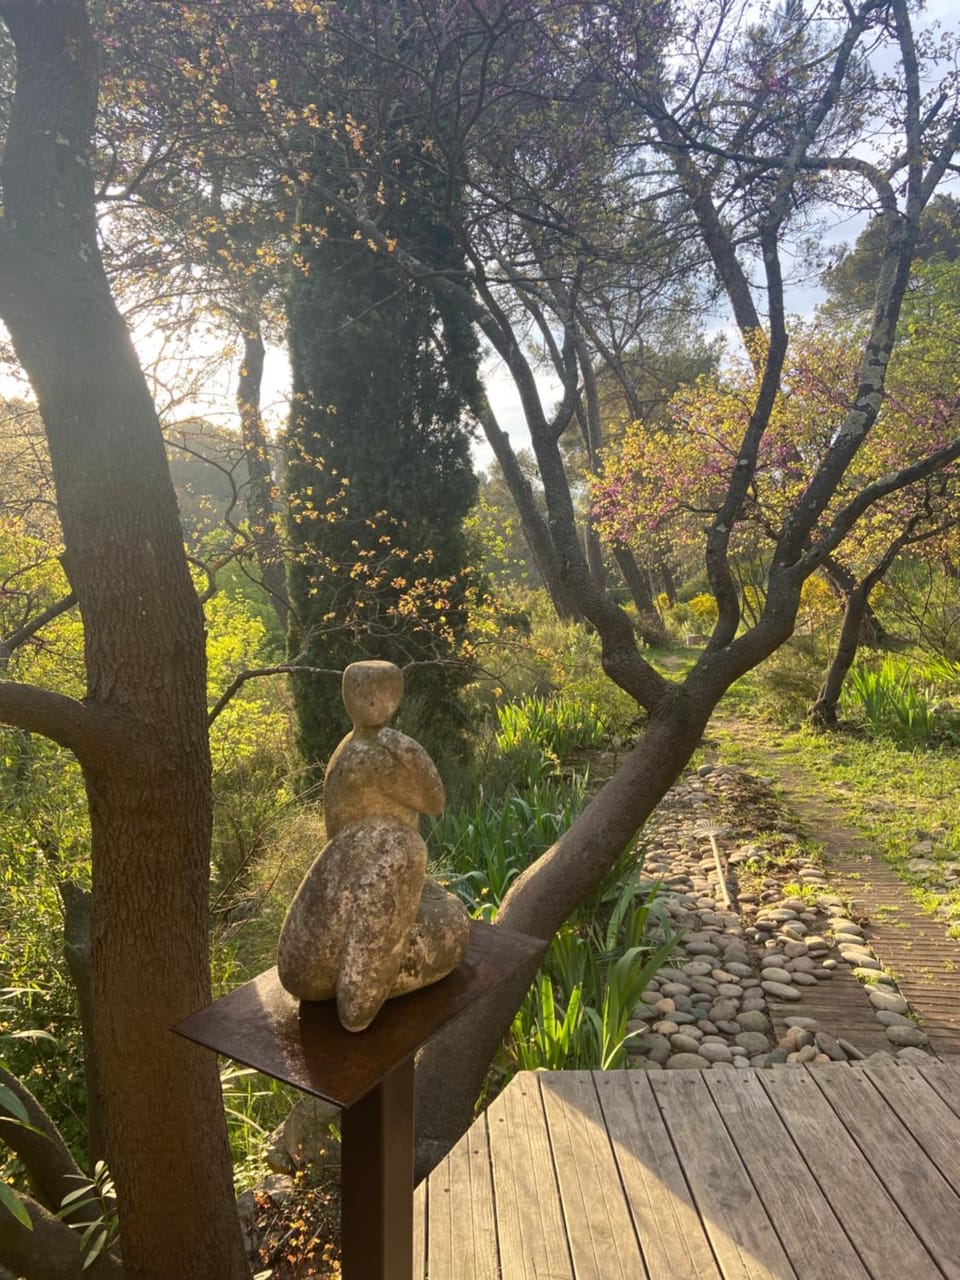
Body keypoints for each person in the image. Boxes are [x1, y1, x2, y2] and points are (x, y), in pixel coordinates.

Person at [277, 660, 470, 1031]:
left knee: (440, 910)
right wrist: (404, 747)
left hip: (300, 962)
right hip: (319, 976)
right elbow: (434, 799)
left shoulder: (347, 754)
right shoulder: (397, 845)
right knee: (453, 926)